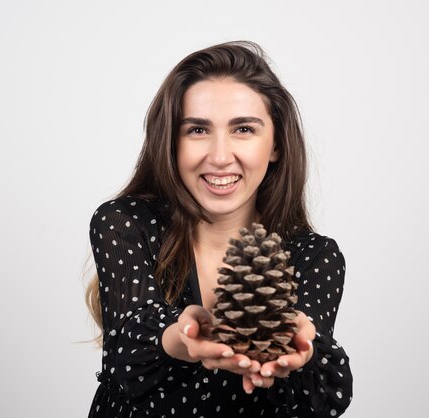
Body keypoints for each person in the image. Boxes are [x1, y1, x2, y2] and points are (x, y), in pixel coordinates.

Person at [85, 41, 353, 417]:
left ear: (275, 145)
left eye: (243, 129)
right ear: (171, 143)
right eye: (197, 130)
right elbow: (127, 349)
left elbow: (319, 397)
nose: (221, 156)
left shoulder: (313, 256)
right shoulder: (126, 224)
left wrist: (302, 348)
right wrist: (182, 337)